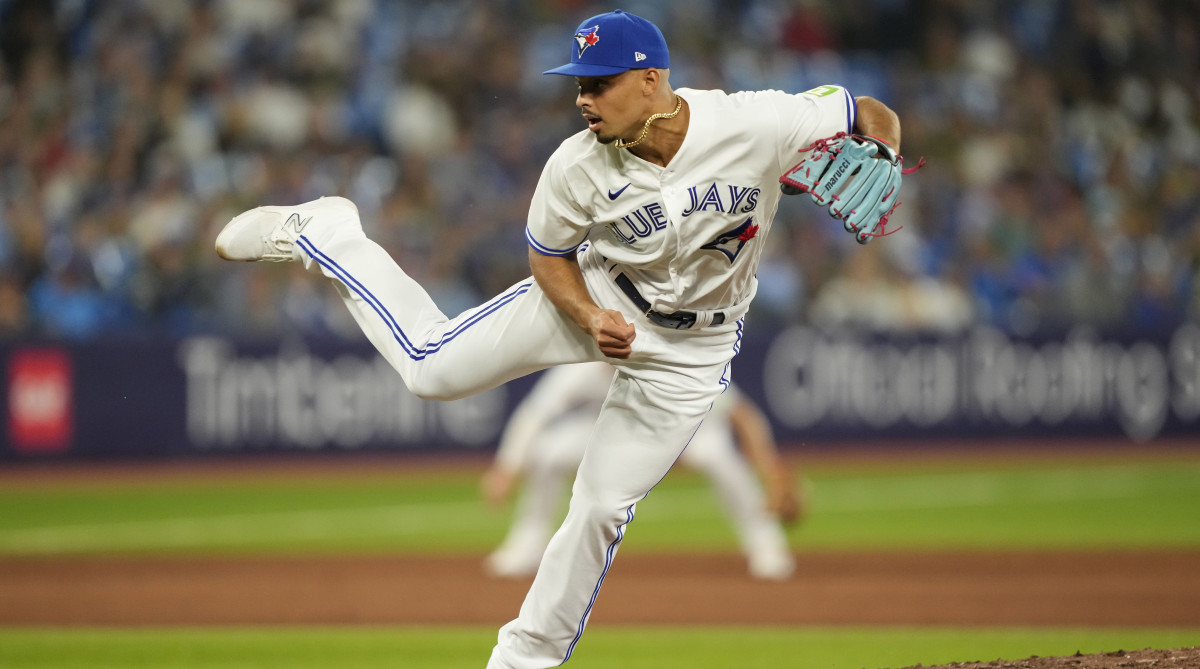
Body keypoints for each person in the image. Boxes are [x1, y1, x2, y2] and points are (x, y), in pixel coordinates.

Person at [214, 9, 905, 668]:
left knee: (601, 506)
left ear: (650, 80)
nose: (584, 99)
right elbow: (548, 257)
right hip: (601, 290)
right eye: (579, 84)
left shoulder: (754, 120)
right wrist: (586, 315)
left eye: (598, 83)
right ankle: (330, 235)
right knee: (430, 371)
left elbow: (866, 110)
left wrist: (882, 150)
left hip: (694, 351)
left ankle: (518, 661)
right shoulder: (575, 165)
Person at [481, 361, 802, 581]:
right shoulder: (583, 365)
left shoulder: (666, 359)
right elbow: (534, 413)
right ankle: (527, 542)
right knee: (549, 452)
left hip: (682, 428)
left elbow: (741, 414)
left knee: (717, 456)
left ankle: (765, 542)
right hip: (613, 428)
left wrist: (771, 469)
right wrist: (506, 469)